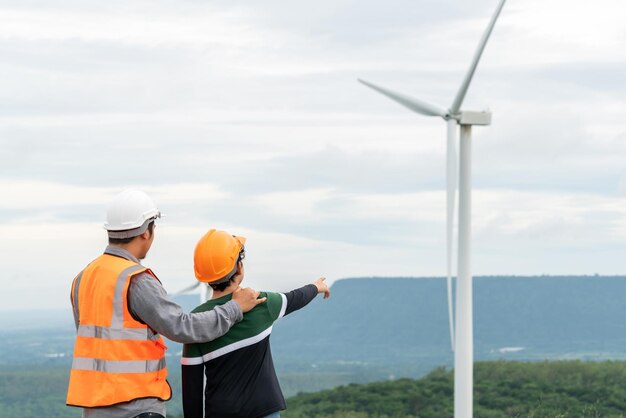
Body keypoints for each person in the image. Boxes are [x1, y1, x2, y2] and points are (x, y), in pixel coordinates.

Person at [66, 190, 266, 418]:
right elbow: (183, 327)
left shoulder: (83, 278)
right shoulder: (135, 280)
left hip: (94, 409)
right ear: (146, 231)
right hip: (135, 408)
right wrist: (235, 308)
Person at [181, 229, 331, 418]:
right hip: (265, 411)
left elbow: (191, 389)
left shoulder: (195, 322)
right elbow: (296, 298)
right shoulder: (261, 304)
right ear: (239, 268)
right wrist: (316, 287)